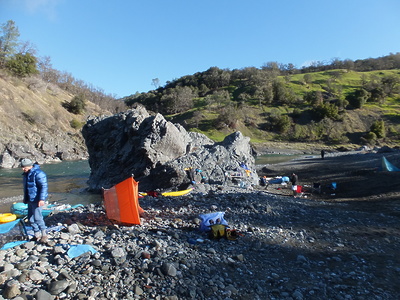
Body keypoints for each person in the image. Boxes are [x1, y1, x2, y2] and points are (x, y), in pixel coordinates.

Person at [21, 158, 48, 243]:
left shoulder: (39, 174)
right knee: (30, 219)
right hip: (30, 199)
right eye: (22, 167)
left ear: (30, 166)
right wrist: (25, 199)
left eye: (24, 167)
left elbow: (44, 187)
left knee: (38, 218)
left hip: (37, 199)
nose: (23, 169)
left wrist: (41, 199)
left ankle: (44, 235)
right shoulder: (26, 174)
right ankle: (37, 235)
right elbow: (27, 188)